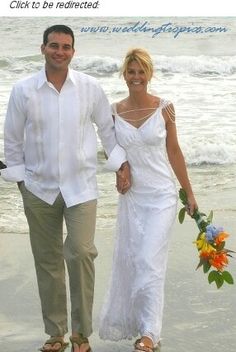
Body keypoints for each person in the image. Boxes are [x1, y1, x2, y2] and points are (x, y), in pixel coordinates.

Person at [1, 25, 130, 352]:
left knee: (81, 252)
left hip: (81, 188)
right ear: (42, 48)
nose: (60, 51)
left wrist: (121, 165)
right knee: (48, 262)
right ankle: (56, 334)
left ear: (73, 51)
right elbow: (12, 139)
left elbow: (107, 130)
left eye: (66, 47)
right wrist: (20, 180)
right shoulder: (23, 90)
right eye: (54, 46)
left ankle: (81, 335)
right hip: (38, 188)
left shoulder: (89, 88)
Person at [99, 48, 198, 352]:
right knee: (134, 261)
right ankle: (143, 328)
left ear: (150, 74)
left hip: (163, 196)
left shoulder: (165, 108)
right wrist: (120, 172)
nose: (136, 77)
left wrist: (189, 193)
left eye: (141, 71)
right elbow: (113, 152)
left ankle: (150, 334)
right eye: (131, 72)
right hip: (133, 199)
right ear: (124, 75)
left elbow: (174, 152)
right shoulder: (114, 111)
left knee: (148, 260)